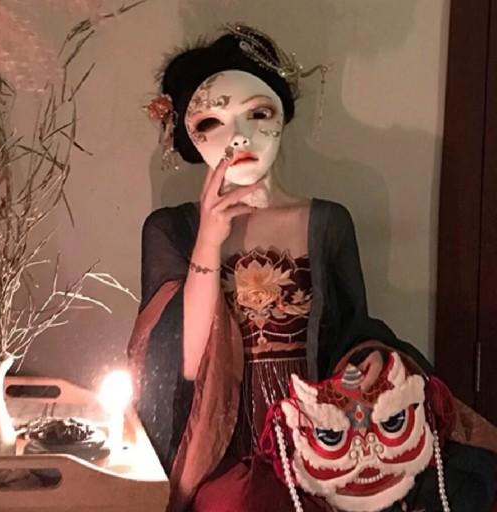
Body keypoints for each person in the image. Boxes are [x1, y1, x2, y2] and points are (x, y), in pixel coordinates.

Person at [128, 24, 496, 512]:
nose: (239, 137)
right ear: (190, 137)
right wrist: (209, 242)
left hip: (324, 439)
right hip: (225, 444)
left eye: (258, 113)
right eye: (212, 123)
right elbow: (185, 364)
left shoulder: (327, 222)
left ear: (283, 115)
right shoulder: (173, 229)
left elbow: (352, 330)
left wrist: (368, 359)